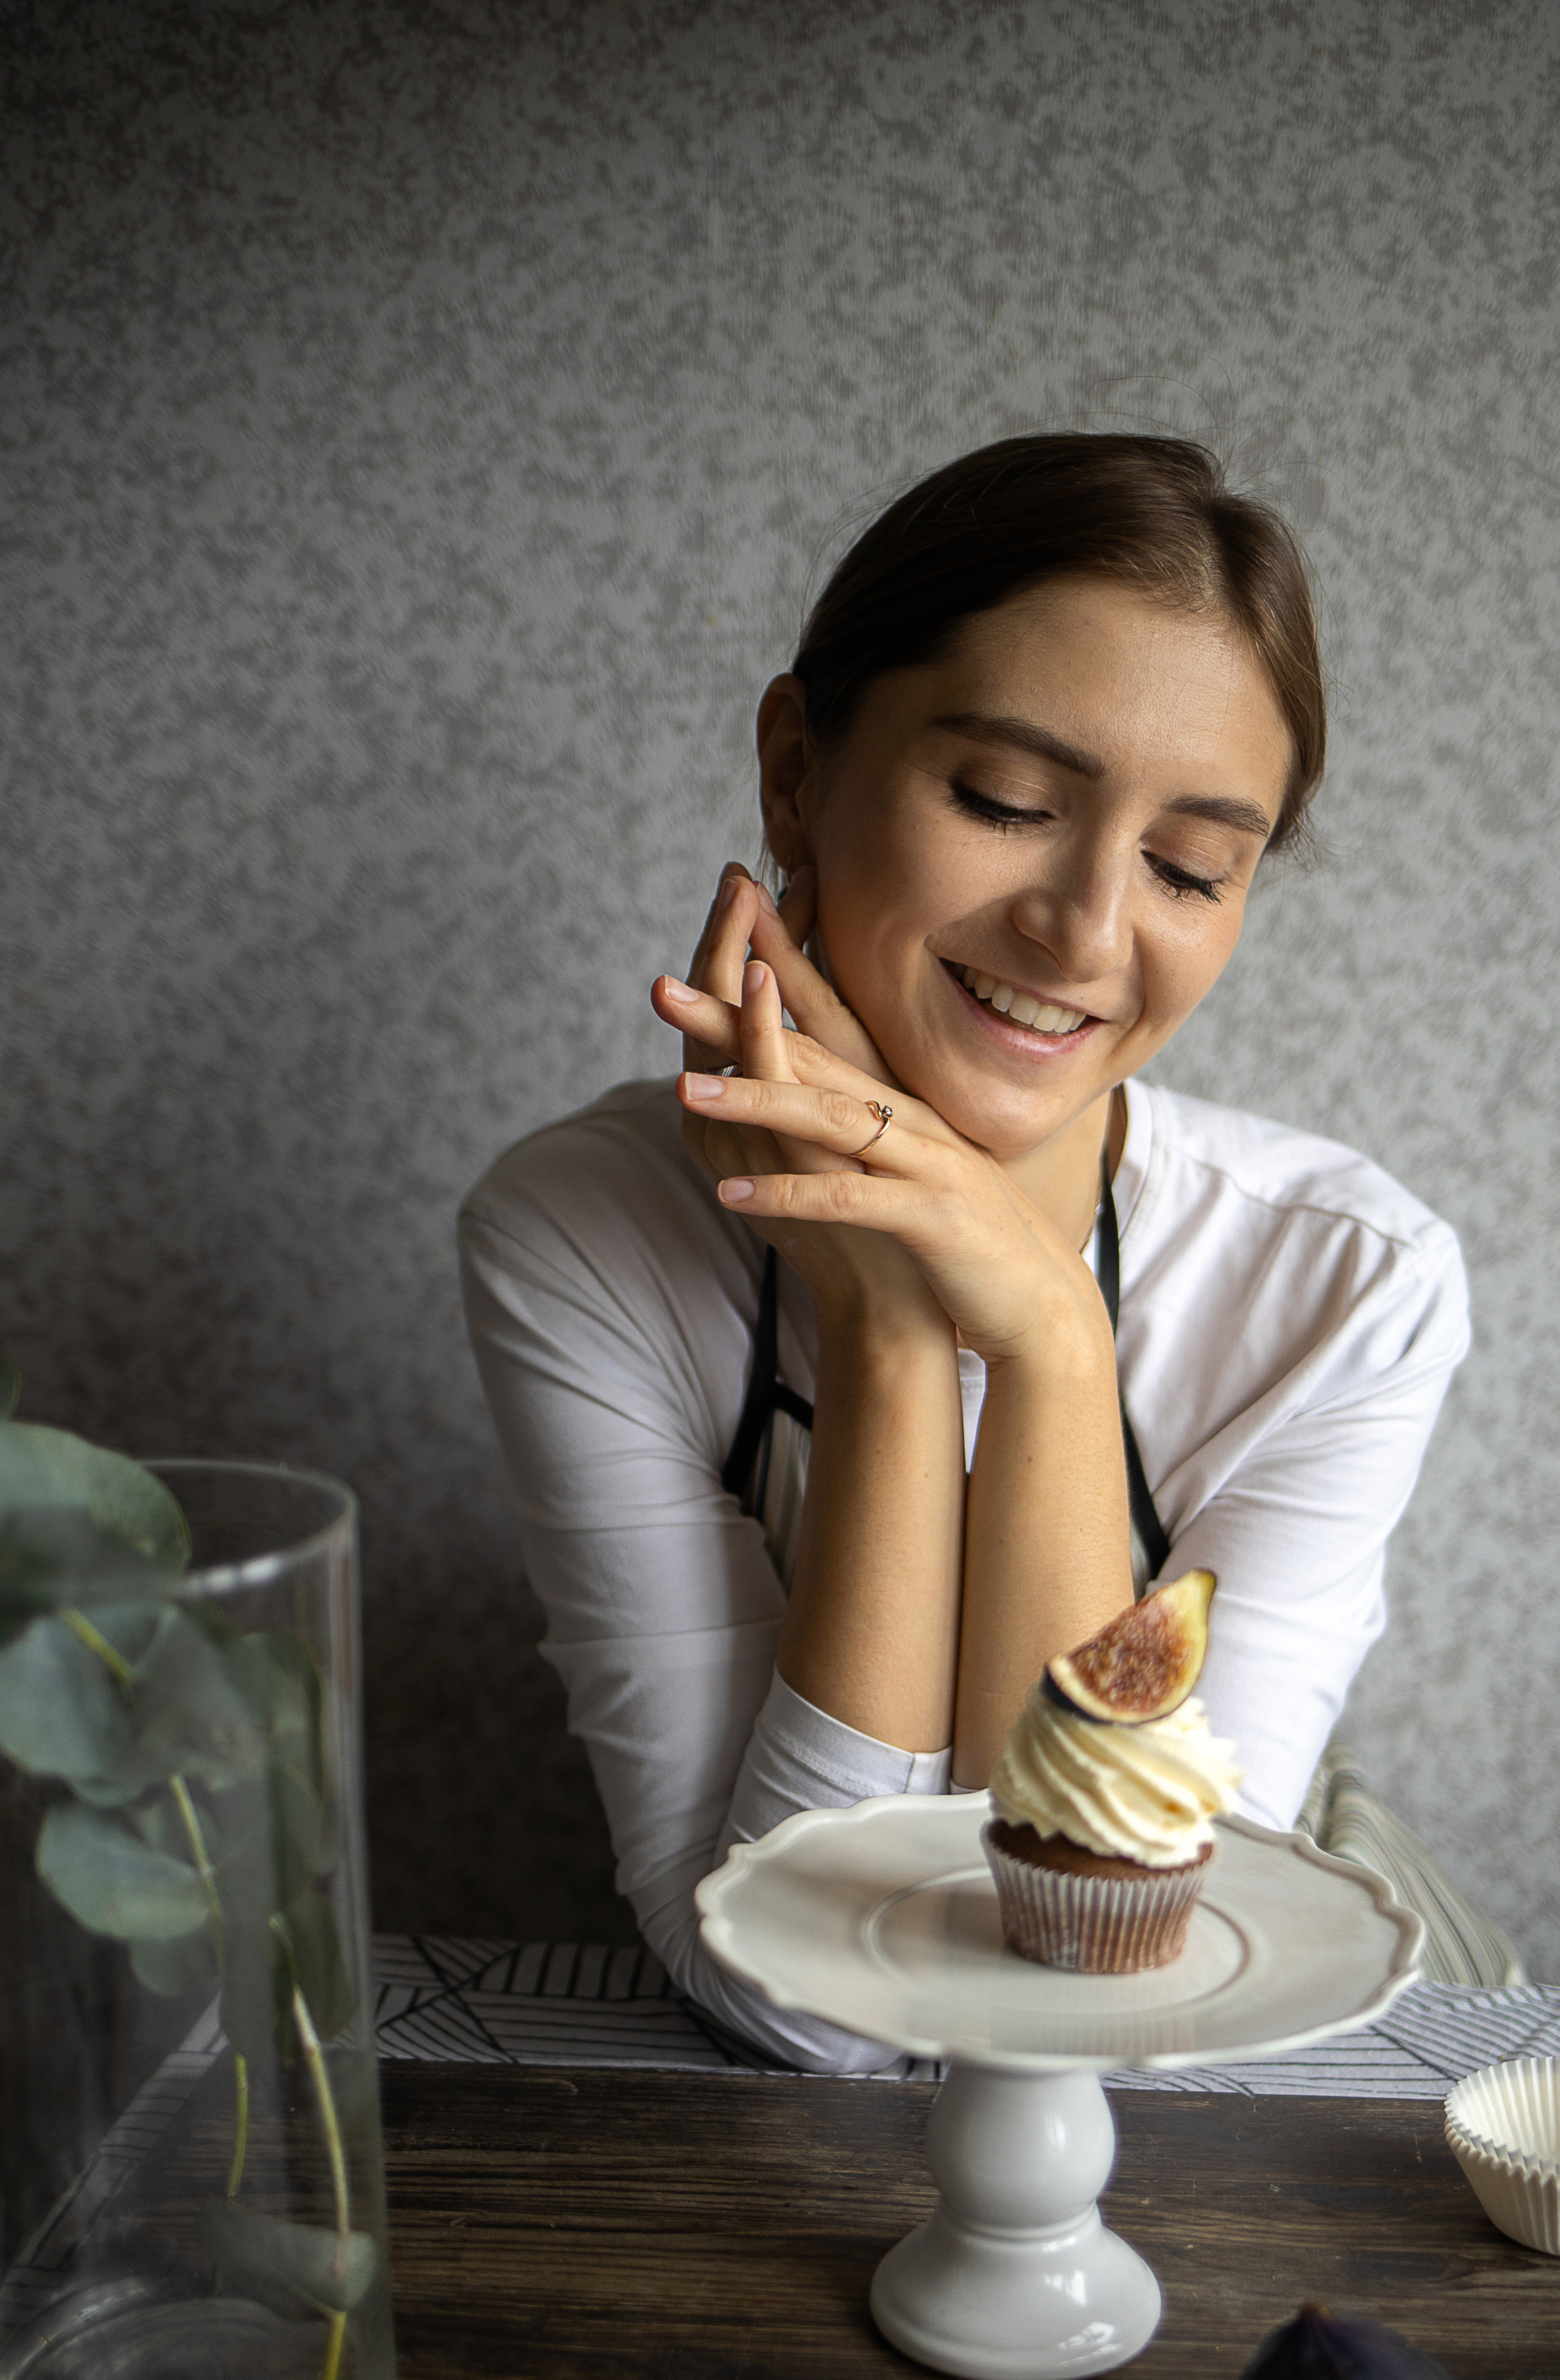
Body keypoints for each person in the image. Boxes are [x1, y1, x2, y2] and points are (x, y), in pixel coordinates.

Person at [459, 432, 1491, 2070]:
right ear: (796, 768)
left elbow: (1103, 1992)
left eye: (1187, 868)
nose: (1084, 931)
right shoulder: (580, 1239)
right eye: (1006, 803)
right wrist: (885, 1335)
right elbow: (793, 2011)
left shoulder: (1347, 1288)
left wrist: (1051, 1344)